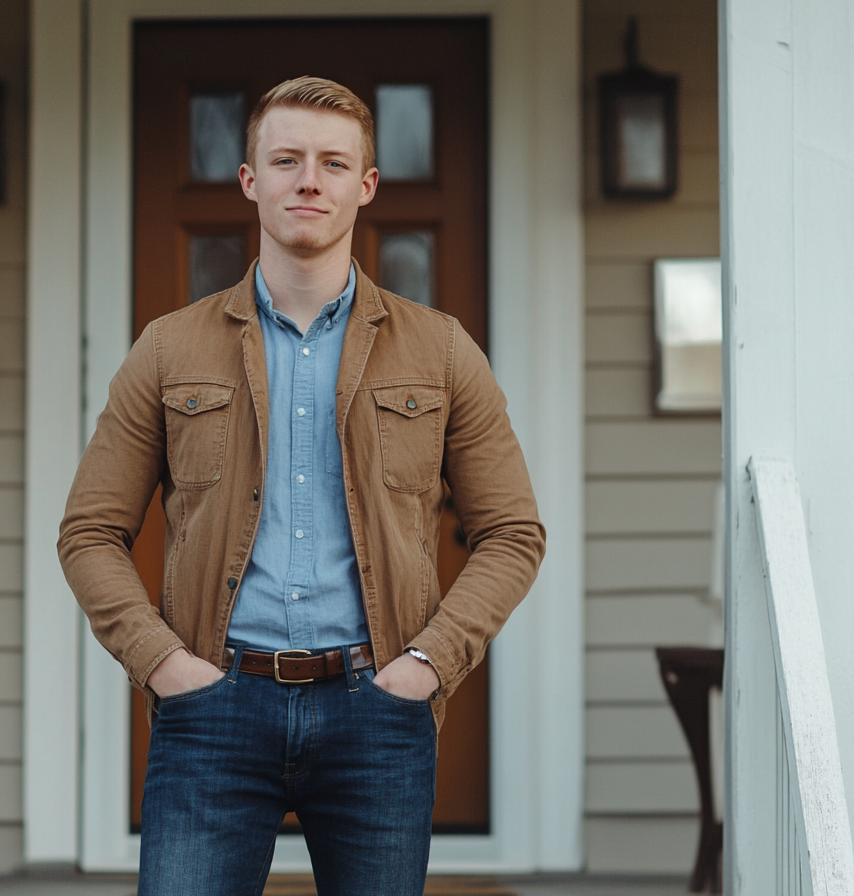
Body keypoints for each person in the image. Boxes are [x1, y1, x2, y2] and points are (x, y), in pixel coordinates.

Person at [58, 76, 545, 896]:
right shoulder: (169, 349)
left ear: (366, 185)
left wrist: (426, 664)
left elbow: (512, 533)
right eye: (285, 160)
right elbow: (90, 531)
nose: (308, 181)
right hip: (213, 706)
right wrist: (164, 664)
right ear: (250, 180)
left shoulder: (442, 350)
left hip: (378, 710)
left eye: (331, 163)